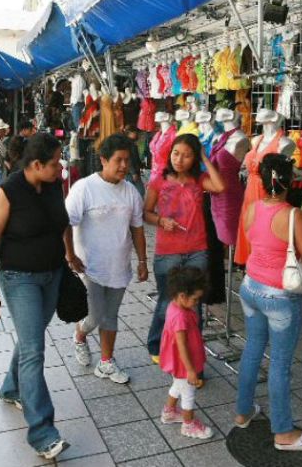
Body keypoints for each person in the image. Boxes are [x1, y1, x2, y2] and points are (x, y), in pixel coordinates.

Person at [0, 133, 71, 460]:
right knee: (35, 349)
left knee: (29, 339)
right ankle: (43, 433)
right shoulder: (5, 194)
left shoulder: (52, 186)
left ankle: (11, 387)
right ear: (35, 165)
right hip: (19, 278)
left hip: (52, 275)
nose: (60, 167)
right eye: (55, 162)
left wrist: (70, 256)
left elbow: (63, 224)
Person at [234, 154, 302, 451]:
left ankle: (243, 412)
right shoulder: (294, 216)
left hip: (250, 288)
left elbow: (254, 244)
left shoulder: (251, 208)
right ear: (290, 180)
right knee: (280, 364)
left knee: (252, 350)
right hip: (279, 297)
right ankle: (283, 432)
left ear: (261, 179)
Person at [64, 133, 149, 384]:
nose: (124, 166)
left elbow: (137, 228)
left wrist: (142, 261)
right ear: (103, 160)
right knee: (95, 315)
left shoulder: (131, 192)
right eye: (119, 160)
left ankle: (106, 363)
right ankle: (80, 335)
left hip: (119, 266)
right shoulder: (84, 188)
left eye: (127, 160)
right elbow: (66, 223)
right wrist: (69, 254)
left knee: (110, 315)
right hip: (89, 266)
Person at [143, 133, 225, 365]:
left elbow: (220, 186)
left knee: (194, 305)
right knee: (166, 301)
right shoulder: (159, 180)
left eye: (187, 155)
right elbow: (146, 212)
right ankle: (156, 344)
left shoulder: (199, 180)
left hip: (197, 250)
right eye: (176, 153)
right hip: (168, 251)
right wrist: (161, 221)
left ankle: (192, 354)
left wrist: (204, 158)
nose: (179, 159)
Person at [158, 266, 214, 439]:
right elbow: (181, 345)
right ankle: (188, 424)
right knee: (188, 393)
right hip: (184, 362)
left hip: (179, 360)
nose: (197, 302)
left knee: (178, 385)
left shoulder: (175, 306)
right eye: (195, 299)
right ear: (182, 295)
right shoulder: (180, 316)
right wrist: (190, 370)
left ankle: (169, 412)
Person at [123, 125, 145, 197]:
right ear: (129, 133)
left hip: (134, 172)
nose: (136, 134)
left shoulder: (132, 143)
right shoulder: (127, 144)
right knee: (137, 192)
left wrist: (142, 166)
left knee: (139, 192)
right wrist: (133, 172)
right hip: (130, 173)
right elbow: (129, 159)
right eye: (134, 132)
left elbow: (136, 158)